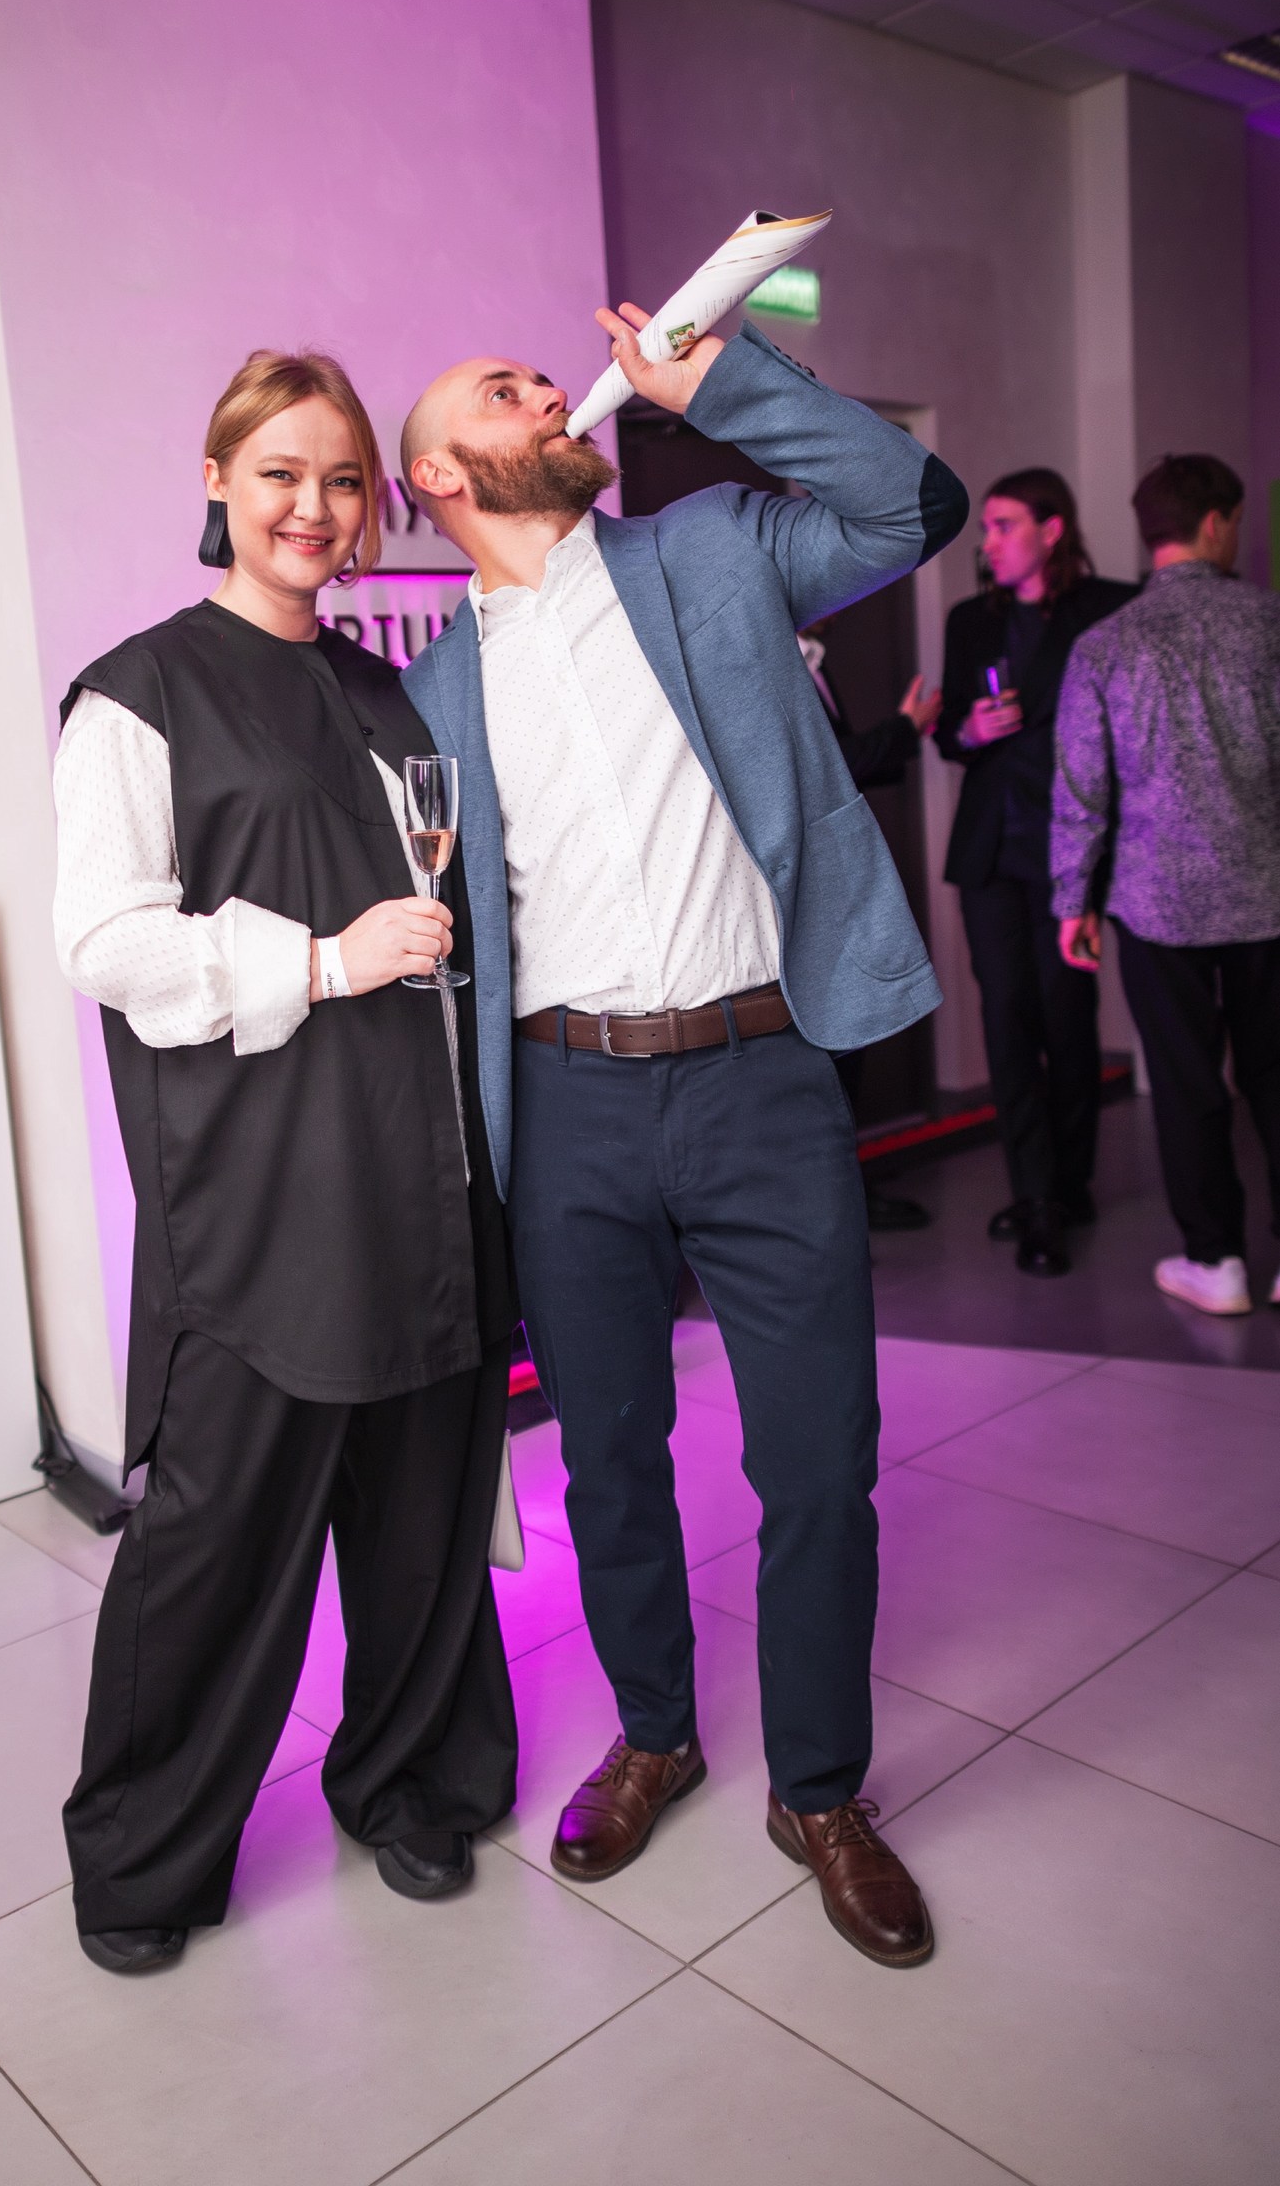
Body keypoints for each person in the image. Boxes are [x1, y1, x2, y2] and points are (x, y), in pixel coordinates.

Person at [401, 302, 968, 1969]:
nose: (537, 382)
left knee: (818, 1460)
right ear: (442, 477)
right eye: (495, 390)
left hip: (759, 1079)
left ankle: (822, 1790)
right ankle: (654, 1732)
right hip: (564, 1104)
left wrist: (719, 383)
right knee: (607, 1461)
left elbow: (908, 507)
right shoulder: (429, 693)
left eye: (535, 372)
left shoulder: (710, 550)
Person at [53, 350, 518, 1974]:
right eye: (279, 474)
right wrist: (325, 961)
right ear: (217, 481)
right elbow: (107, 940)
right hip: (259, 1191)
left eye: (339, 481)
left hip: (422, 1178)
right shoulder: (138, 694)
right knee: (215, 1543)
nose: (313, 508)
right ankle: (143, 1858)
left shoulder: (390, 697)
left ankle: (413, 1783)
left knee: (421, 1522)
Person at [1054, 453, 1280, 1320]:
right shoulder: (1269, 624)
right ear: (1215, 521)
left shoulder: (1105, 644)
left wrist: (1071, 900)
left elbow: (1080, 791)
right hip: (1268, 894)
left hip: (1155, 904)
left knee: (1187, 1085)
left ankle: (1216, 1261)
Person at [934, 471, 1135, 1278]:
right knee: (1006, 1023)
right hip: (989, 852)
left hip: (1067, 852)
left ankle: (1069, 1181)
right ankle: (1036, 1196)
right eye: (985, 528)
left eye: (1003, 525)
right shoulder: (968, 621)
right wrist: (969, 730)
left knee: (1066, 1020)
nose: (986, 542)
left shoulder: (1110, 610)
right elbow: (947, 734)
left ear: (1051, 531)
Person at [797, 630, 941, 1230]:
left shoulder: (814, 659)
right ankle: (830, 1206)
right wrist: (904, 729)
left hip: (837, 886)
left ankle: (846, 1194)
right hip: (806, 892)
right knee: (826, 1056)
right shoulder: (773, 654)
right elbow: (822, 770)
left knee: (848, 1043)